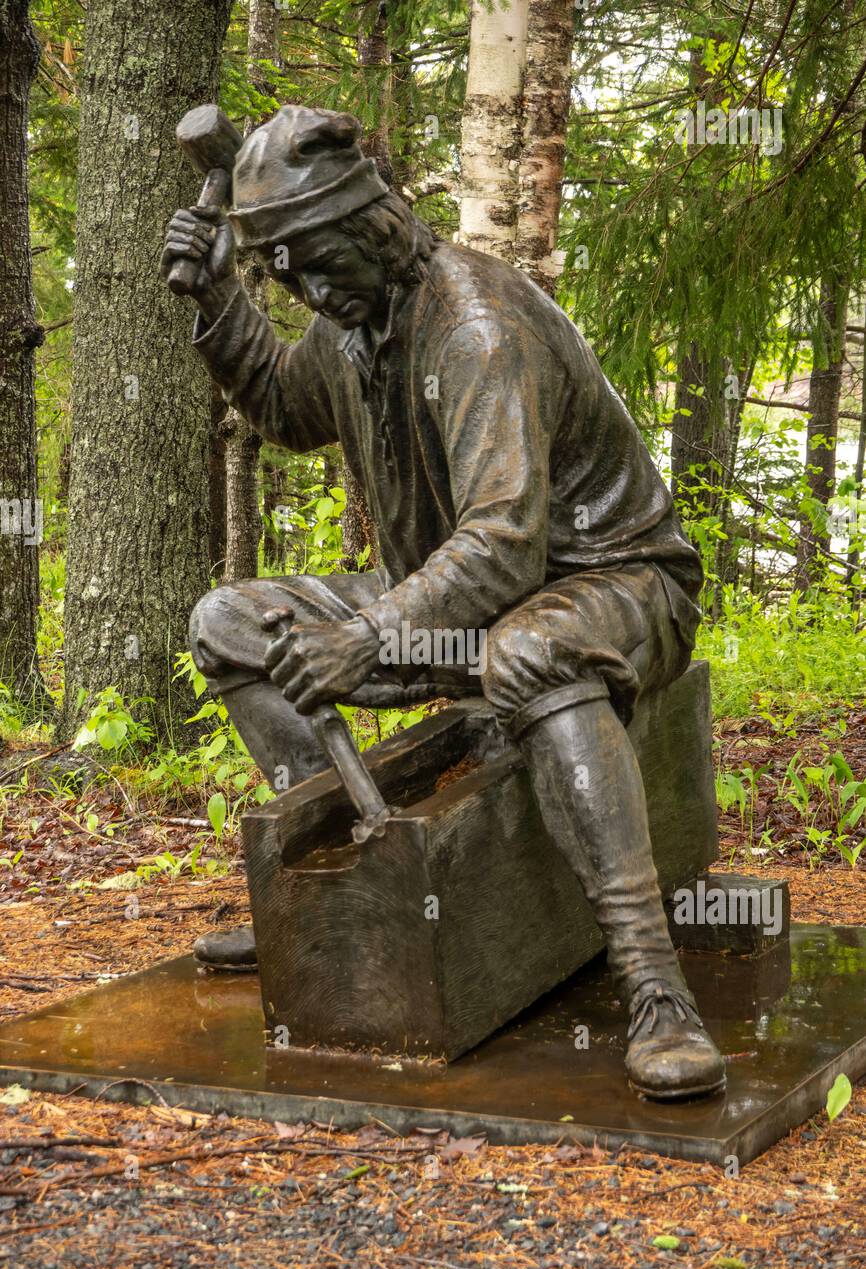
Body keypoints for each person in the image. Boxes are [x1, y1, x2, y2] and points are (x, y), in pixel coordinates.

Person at [161, 105, 725, 1101]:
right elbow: (290, 412)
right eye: (280, 269)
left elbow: (507, 539)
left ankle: (652, 985)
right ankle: (323, 895)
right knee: (229, 623)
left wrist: (369, 633)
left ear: (369, 225)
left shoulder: (473, 325)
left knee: (525, 653)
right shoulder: (355, 321)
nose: (299, 286)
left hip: (607, 583)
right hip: (462, 597)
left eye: (303, 259)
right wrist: (216, 302)